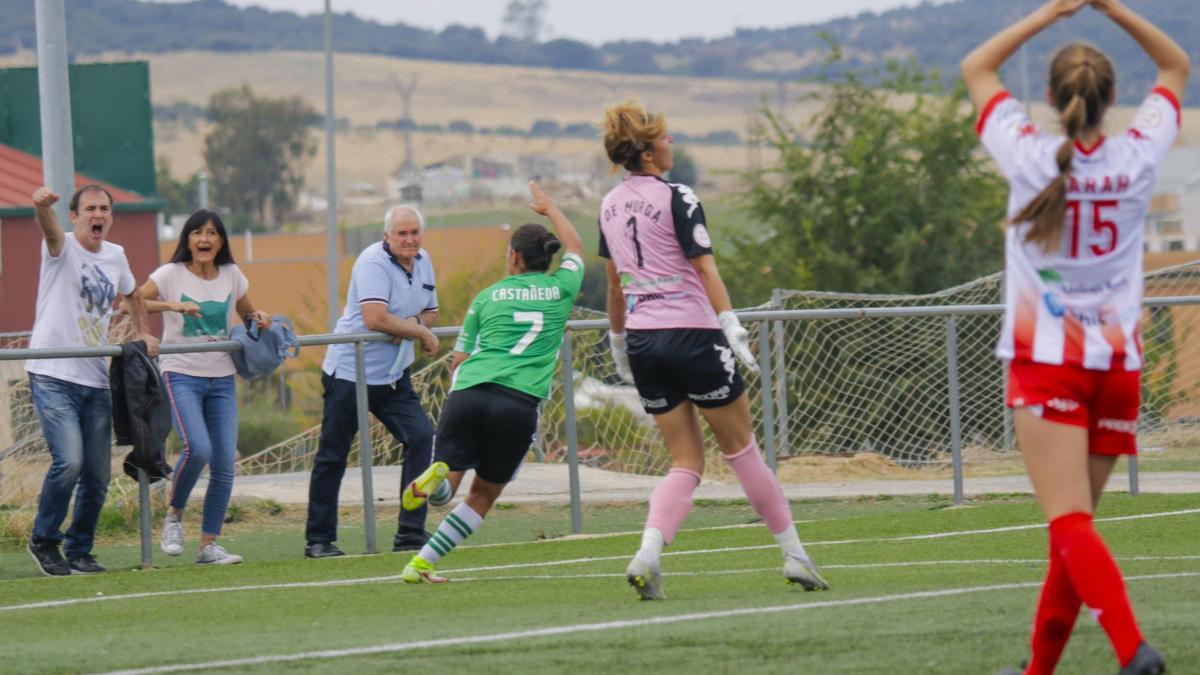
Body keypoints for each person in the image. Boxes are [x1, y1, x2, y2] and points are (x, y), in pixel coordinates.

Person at [961, 1, 1187, 672]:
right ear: (1113, 97)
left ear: (1053, 98)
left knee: (1067, 523)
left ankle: (1133, 650)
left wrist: (1050, 12)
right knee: (1073, 527)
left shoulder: (1027, 152)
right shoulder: (1139, 153)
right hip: (1117, 362)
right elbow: (1176, 64)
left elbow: (978, 65)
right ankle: (1037, 671)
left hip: (1048, 362)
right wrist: (1111, 7)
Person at [596, 100, 827, 600]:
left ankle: (648, 553)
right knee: (742, 452)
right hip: (694, 334)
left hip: (643, 339)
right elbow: (705, 268)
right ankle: (795, 555)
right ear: (650, 152)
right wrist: (731, 324)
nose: (672, 142)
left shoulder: (609, 204)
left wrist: (618, 343)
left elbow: (614, 286)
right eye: (666, 137)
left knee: (685, 463)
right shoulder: (677, 195)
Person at [399, 181, 584, 584]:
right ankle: (422, 563)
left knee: (449, 476)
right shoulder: (561, 288)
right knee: (482, 497)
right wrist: (551, 209)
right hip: (517, 403)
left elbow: (460, 359)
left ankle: (438, 482)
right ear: (544, 258)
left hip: (469, 393)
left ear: (513, 256)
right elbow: (578, 249)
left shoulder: (487, 296)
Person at [24, 185, 159, 576]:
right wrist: (40, 207)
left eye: (103, 209)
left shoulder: (116, 255)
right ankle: (44, 540)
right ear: (75, 216)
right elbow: (49, 231)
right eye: (89, 209)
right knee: (69, 461)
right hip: (52, 374)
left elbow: (133, 294)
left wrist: (141, 331)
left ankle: (80, 549)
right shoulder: (61, 247)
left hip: (94, 379)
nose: (97, 215)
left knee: (98, 474)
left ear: (110, 217)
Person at [135, 209, 271, 565]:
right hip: (181, 373)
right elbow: (132, 300)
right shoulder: (170, 273)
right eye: (197, 233)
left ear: (221, 241)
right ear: (188, 240)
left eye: (211, 233)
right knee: (199, 449)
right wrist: (173, 305)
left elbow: (248, 315)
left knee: (225, 462)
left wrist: (261, 319)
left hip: (222, 378)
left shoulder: (232, 275)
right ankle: (174, 516)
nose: (204, 239)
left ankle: (208, 545)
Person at [304, 204, 441, 558]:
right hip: (352, 371)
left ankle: (410, 532)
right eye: (402, 233)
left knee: (422, 437)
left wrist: (412, 325)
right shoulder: (372, 262)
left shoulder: (424, 260)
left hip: (394, 374)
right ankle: (319, 540)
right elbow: (374, 318)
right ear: (387, 237)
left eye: (414, 233)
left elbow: (431, 311)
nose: (410, 239)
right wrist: (414, 329)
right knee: (333, 454)